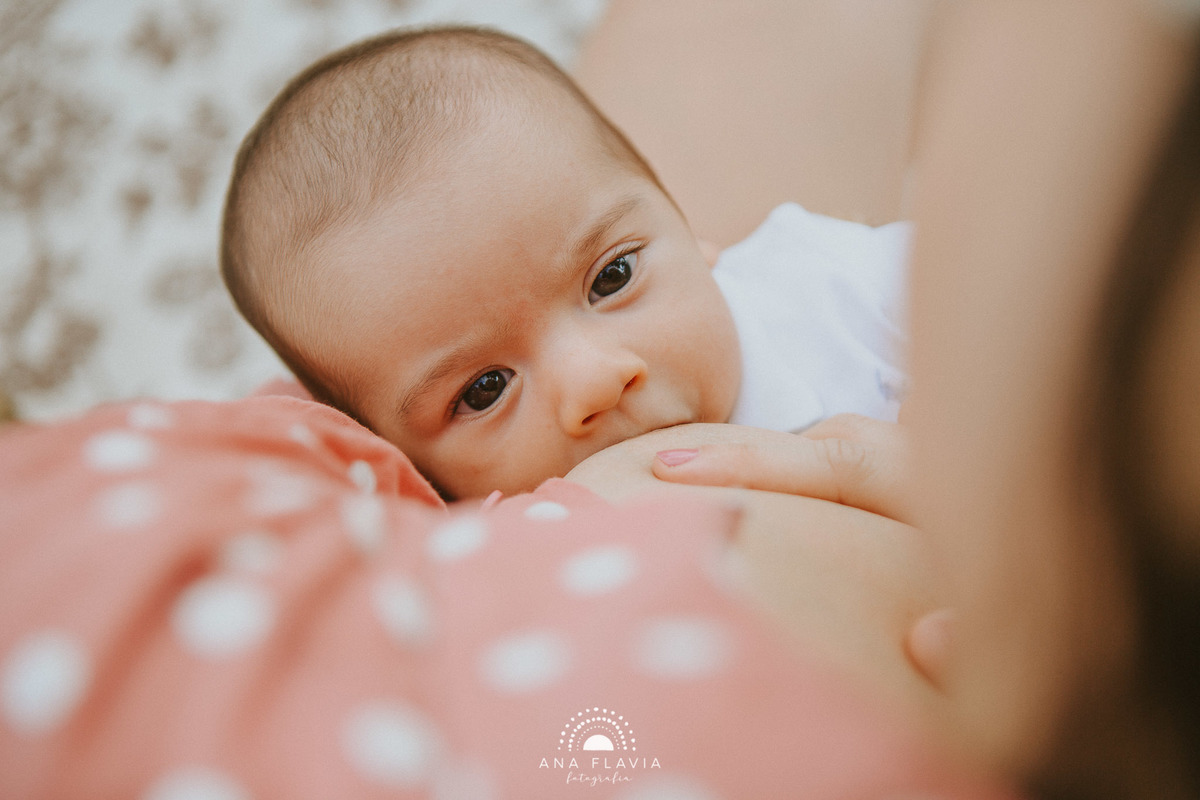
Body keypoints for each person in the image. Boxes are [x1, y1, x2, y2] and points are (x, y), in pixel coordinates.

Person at [219, 25, 912, 501]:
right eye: (484, 390)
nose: (594, 382)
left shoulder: (839, 287)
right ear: (414, 469)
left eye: (613, 277)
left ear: (689, 234)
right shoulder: (503, 548)